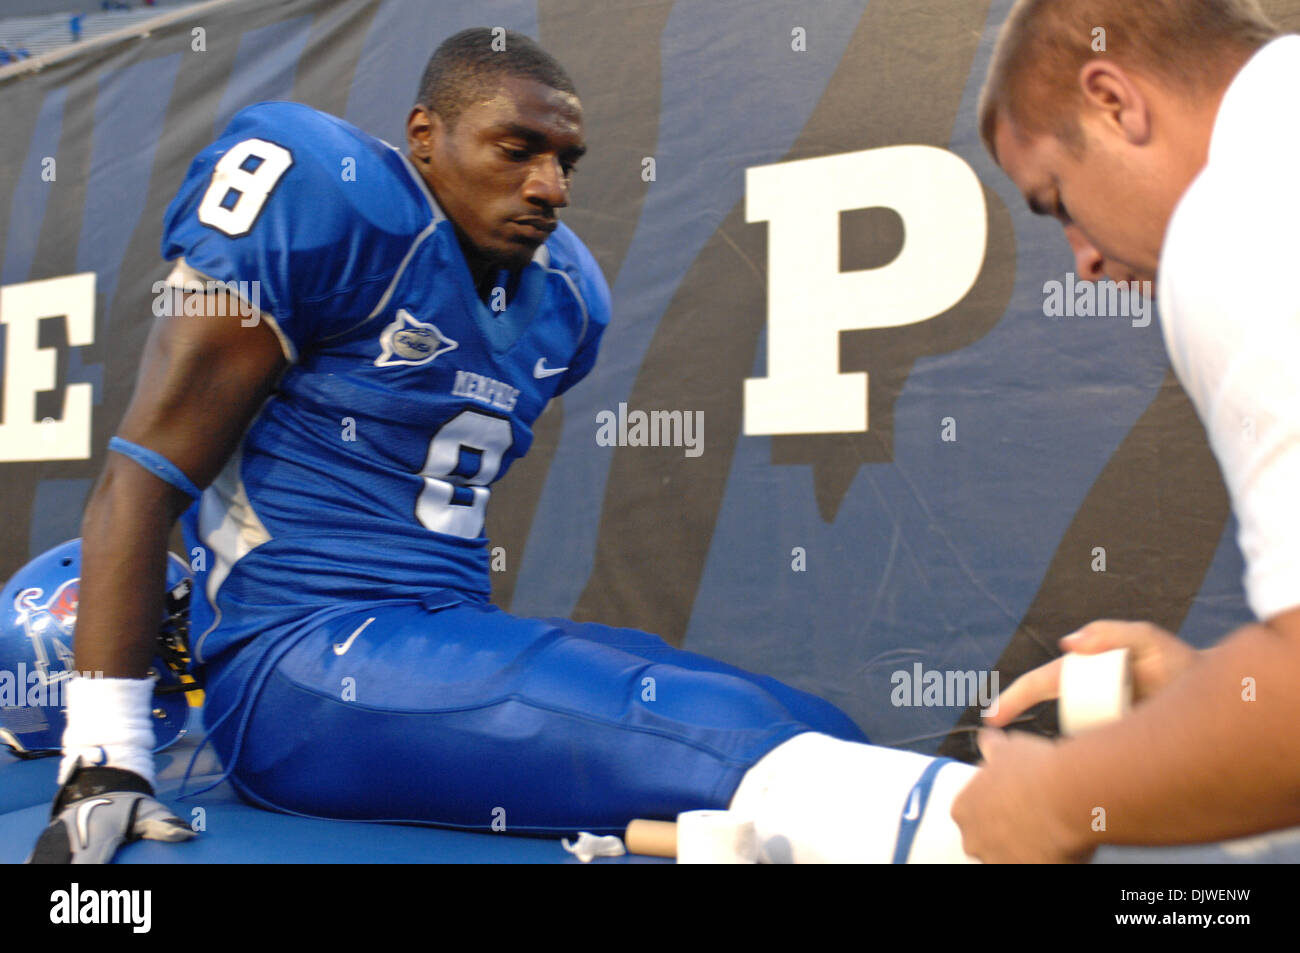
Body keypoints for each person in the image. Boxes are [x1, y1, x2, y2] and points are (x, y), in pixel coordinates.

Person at [30, 26, 976, 865]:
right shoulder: (320, 197)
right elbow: (141, 477)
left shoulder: (567, 295)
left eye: (567, 159)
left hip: (441, 632)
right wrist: (103, 756)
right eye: (517, 149)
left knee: (802, 721)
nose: (550, 186)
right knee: (718, 733)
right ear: (423, 137)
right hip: (300, 665)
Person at [951, 0, 1300, 862]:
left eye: (1055, 200)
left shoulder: (1238, 211)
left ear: (1113, 99)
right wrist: (1204, 701)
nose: (1085, 260)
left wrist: (1062, 796)